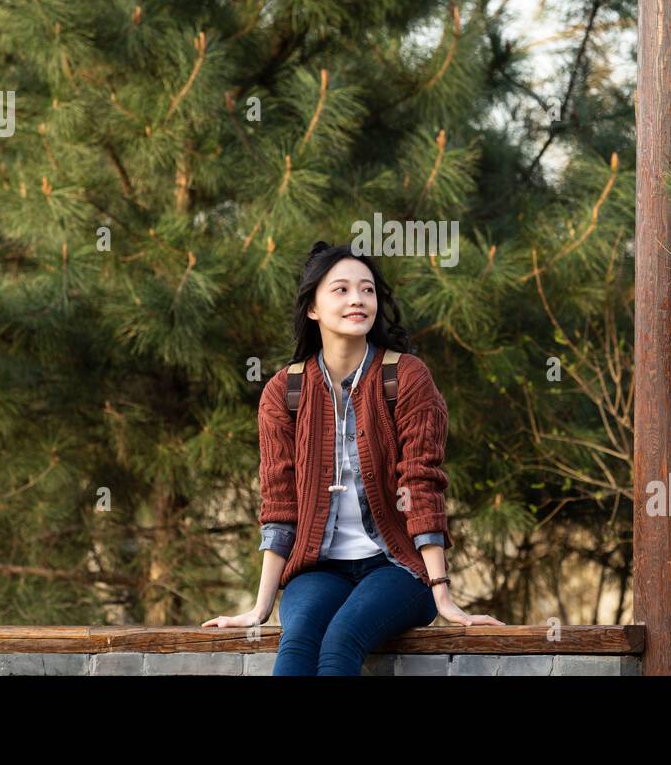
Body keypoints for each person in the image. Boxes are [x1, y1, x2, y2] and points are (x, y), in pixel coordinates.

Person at [203, 240, 502, 674]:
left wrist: (443, 595)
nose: (357, 299)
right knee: (298, 643)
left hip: (398, 567)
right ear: (312, 308)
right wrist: (259, 606)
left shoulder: (406, 377)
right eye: (340, 290)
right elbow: (279, 505)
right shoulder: (284, 392)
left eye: (367, 290)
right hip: (318, 569)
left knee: (340, 642)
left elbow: (422, 483)